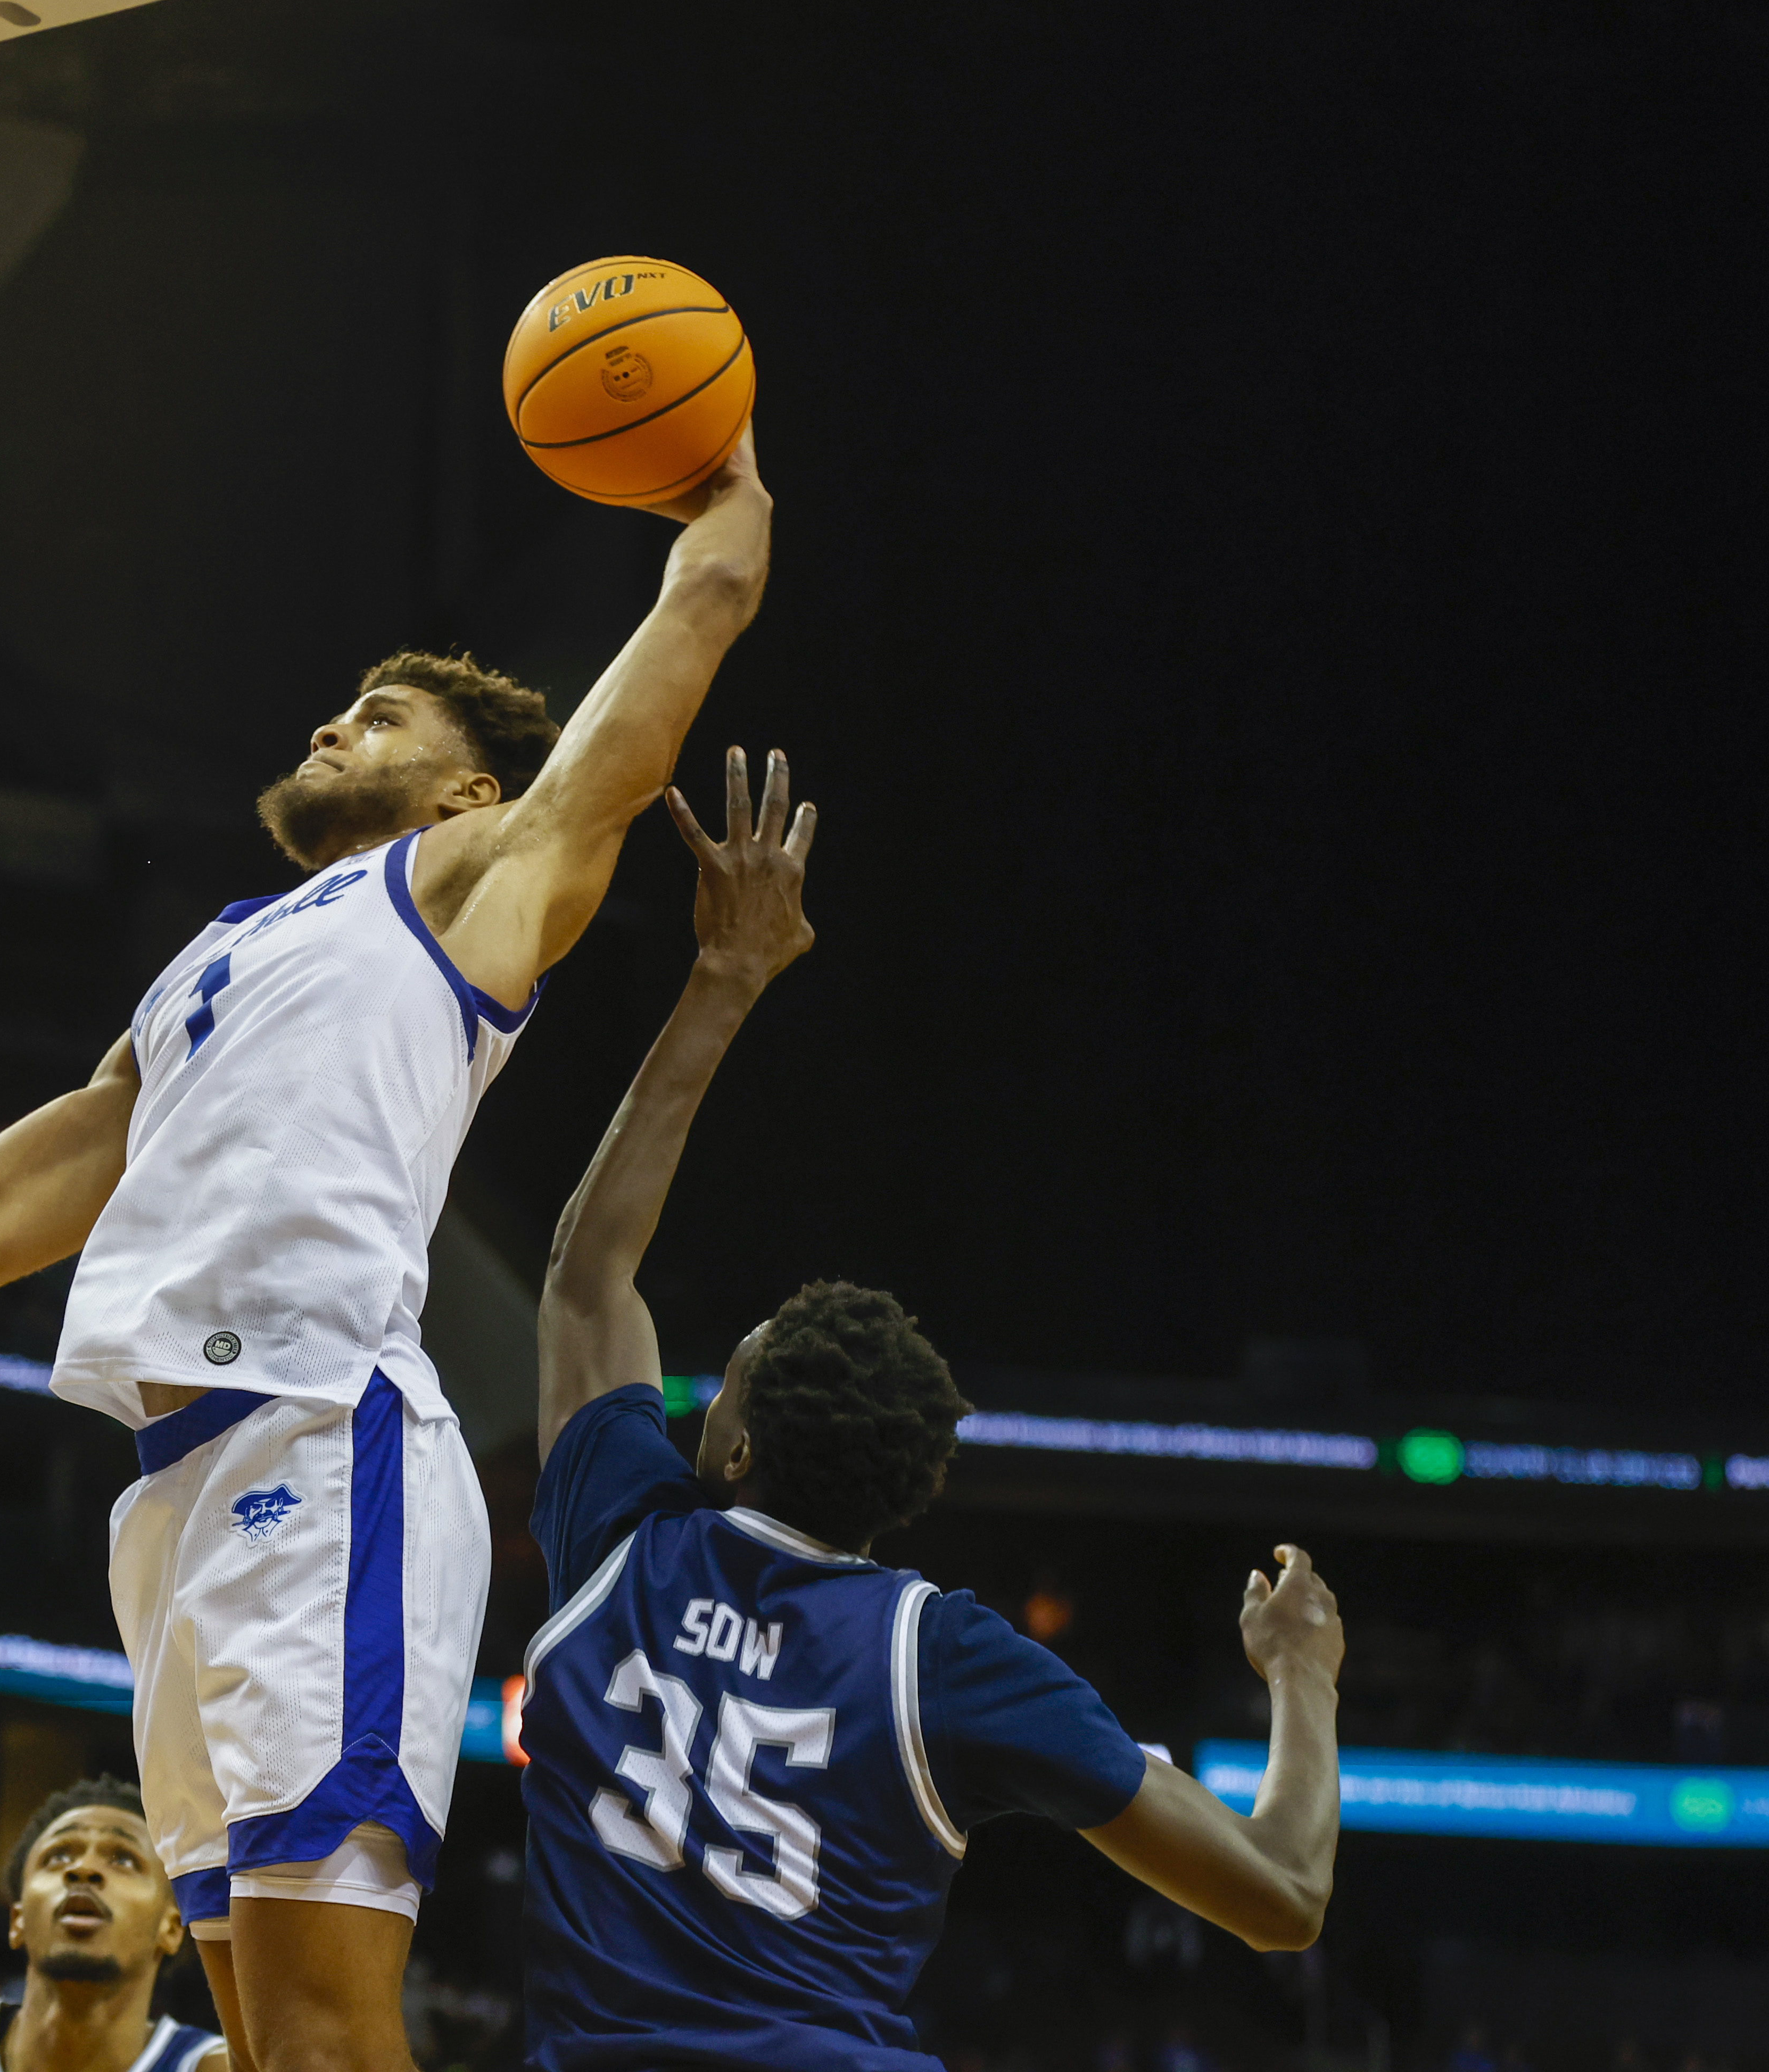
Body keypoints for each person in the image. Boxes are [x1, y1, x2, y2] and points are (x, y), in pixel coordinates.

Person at [0, 421, 776, 2072]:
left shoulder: (472, 883)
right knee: (254, 2047)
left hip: (327, 1446)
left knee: (317, 2037)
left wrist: (719, 484)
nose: (332, 720)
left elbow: (694, 615)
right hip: (172, 1497)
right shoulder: (202, 973)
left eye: (379, 715)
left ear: (470, 788)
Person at [515, 746, 1349, 2072]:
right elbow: (1282, 1893)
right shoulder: (940, 1653)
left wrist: (726, 976)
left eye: (716, 1377)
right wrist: (1303, 1673)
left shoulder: (627, 1529)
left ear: (729, 1449)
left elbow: (587, 1270)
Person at [0, 1778, 221, 2072]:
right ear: (17, 1919)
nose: (83, 1870)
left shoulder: (216, 2068)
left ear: (171, 1928)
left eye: (124, 1860)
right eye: (59, 1856)